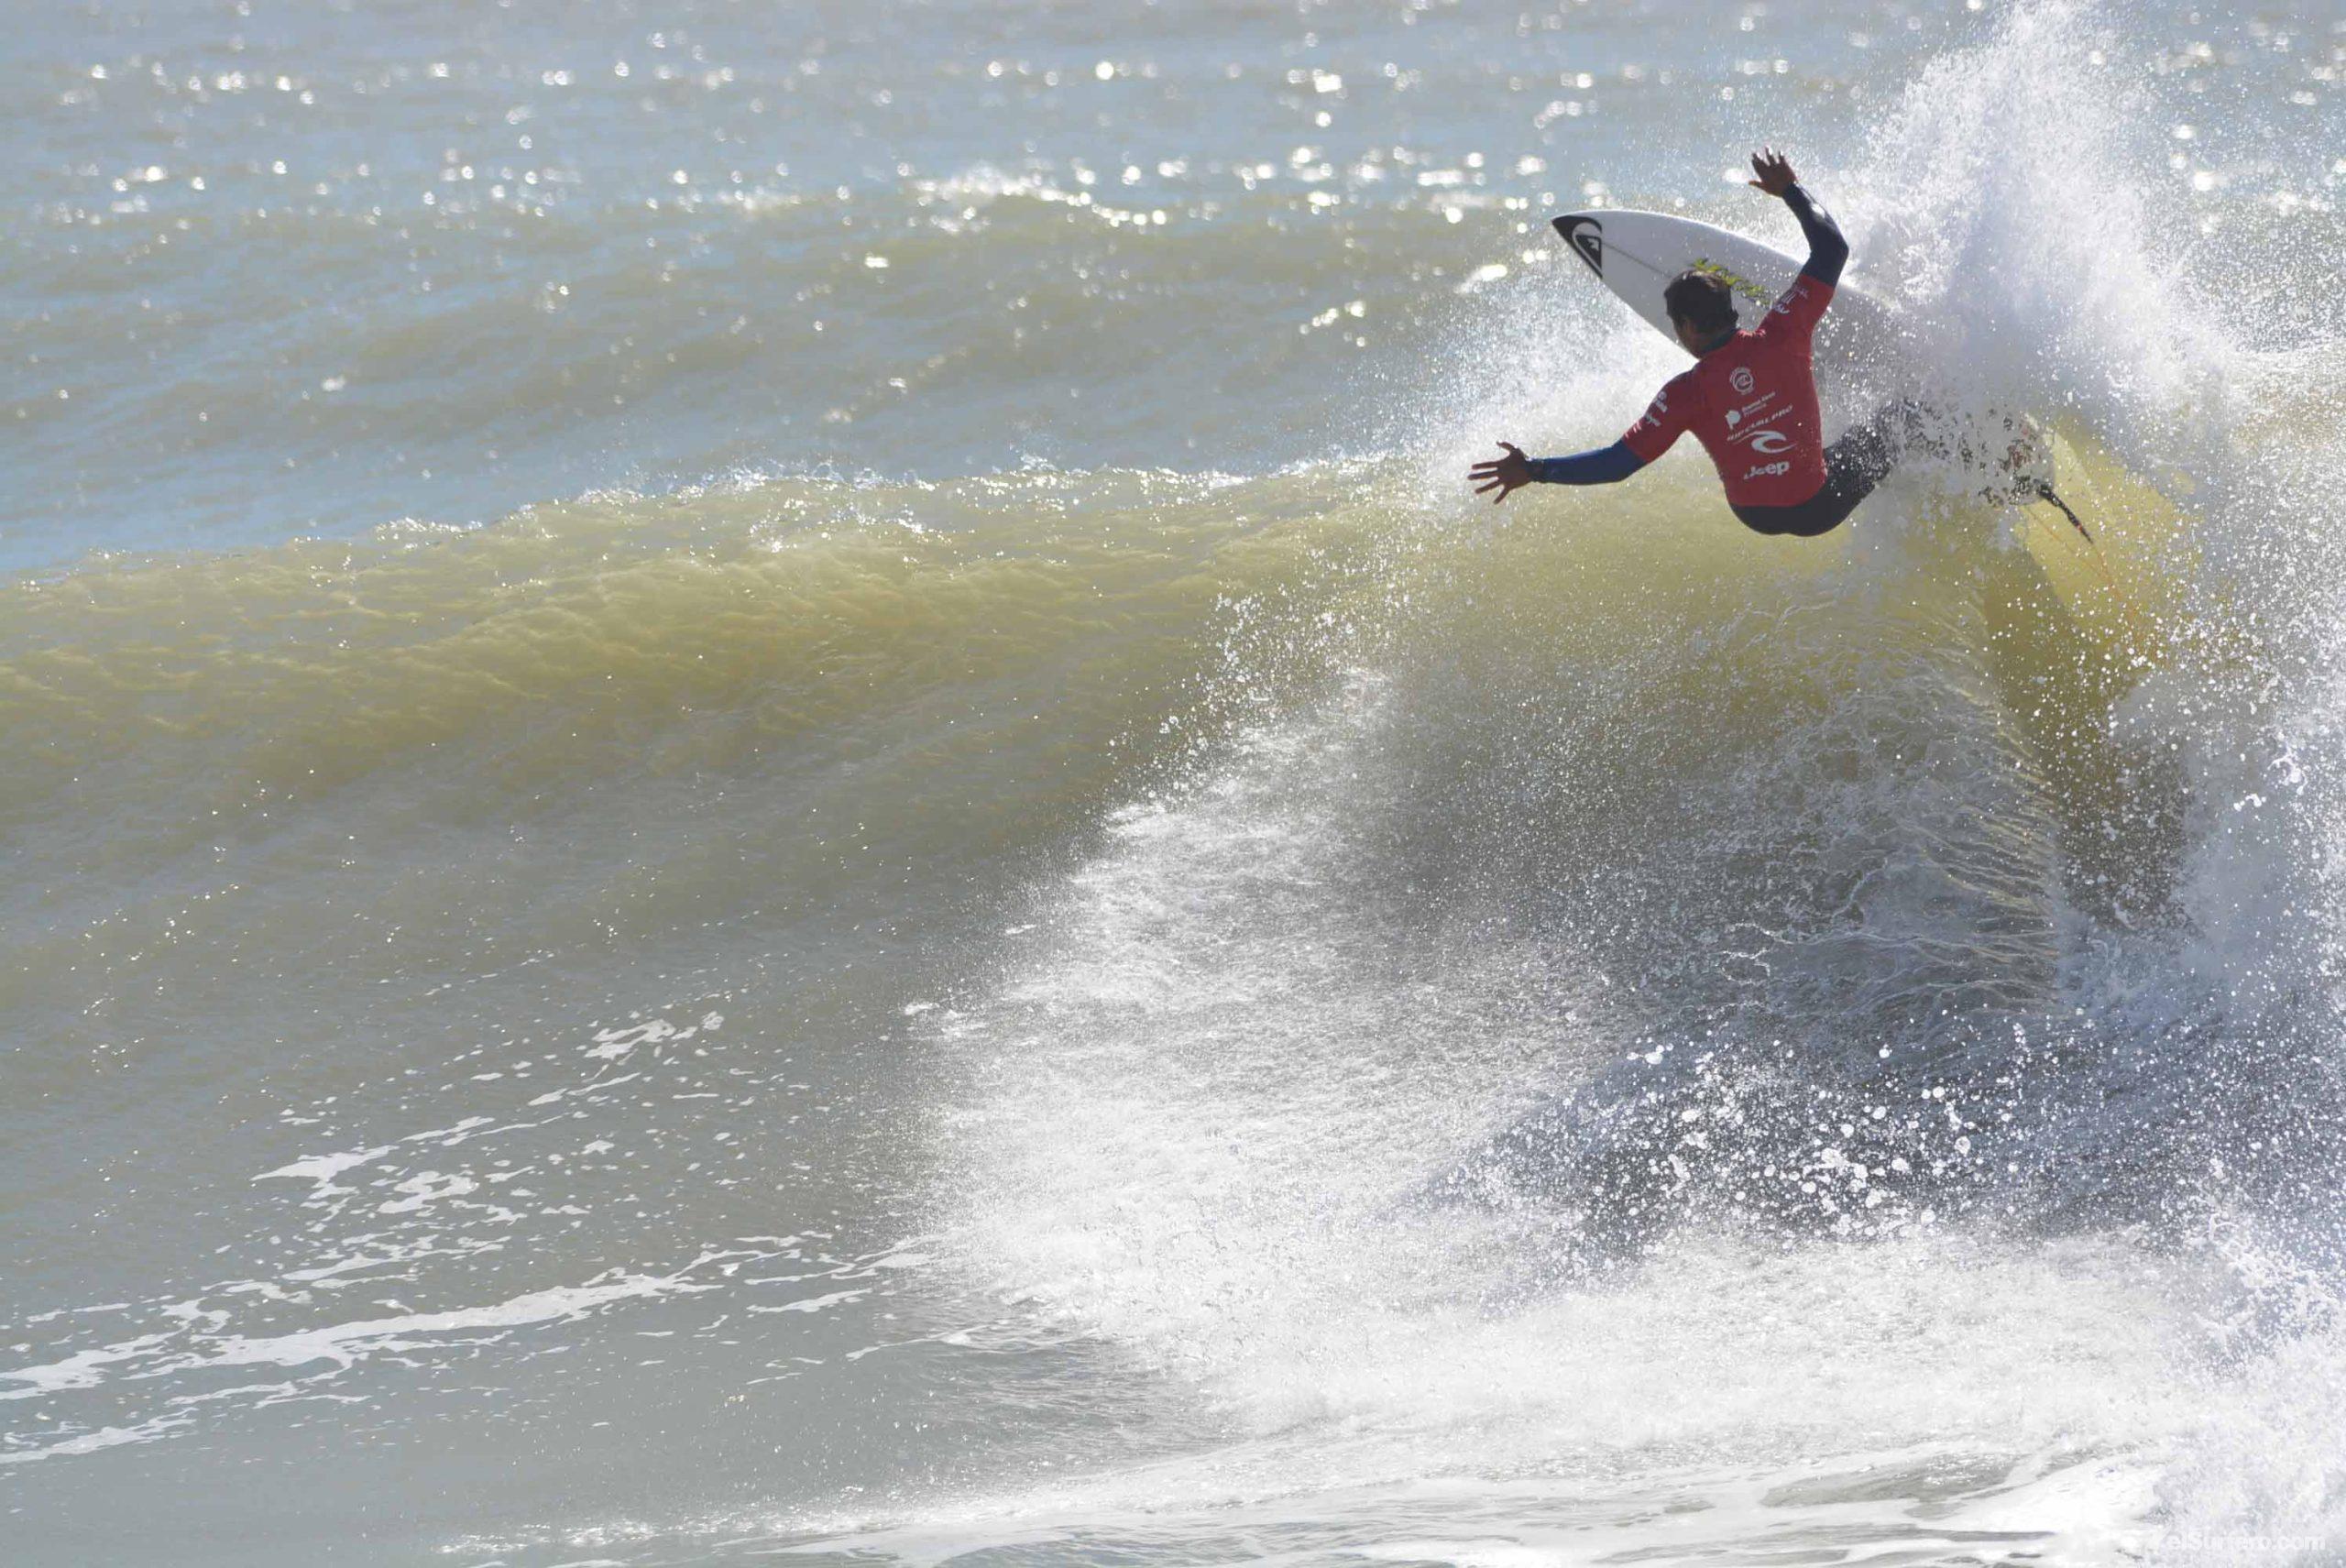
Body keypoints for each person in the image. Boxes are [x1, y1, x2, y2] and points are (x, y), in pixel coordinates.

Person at [1469, 148, 1925, 538]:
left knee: (1824, 453)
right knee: (1902, 419)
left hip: (1755, 516)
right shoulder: (1786, 332)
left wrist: (1534, 470)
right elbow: (1831, 249)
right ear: (1731, 311)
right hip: (1819, 504)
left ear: (1686, 327)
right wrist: (1790, 189)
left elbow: (1617, 463)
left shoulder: (1682, 395)